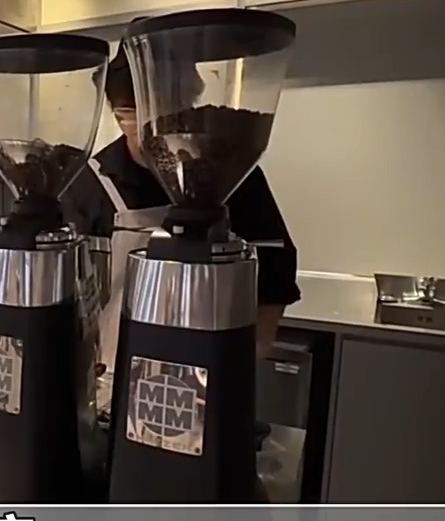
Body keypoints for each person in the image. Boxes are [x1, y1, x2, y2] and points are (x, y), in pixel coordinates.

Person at [62, 44, 301, 371]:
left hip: (212, 374)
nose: (164, 132)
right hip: (114, 376)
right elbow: (74, 293)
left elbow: (276, 268)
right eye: (141, 119)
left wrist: (248, 356)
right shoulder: (91, 182)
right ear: (120, 116)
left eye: (176, 114)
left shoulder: (233, 174)